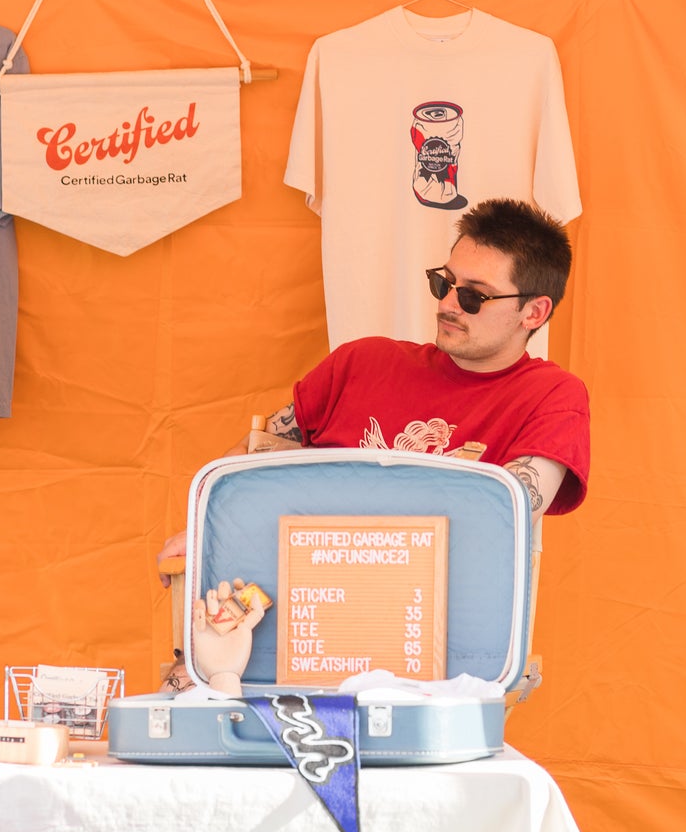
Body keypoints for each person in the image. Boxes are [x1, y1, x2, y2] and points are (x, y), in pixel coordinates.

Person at [160, 197, 590, 578]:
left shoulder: (552, 397)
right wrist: (205, 531)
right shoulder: (362, 362)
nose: (447, 304)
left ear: (534, 312)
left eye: (474, 297)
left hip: (435, 622)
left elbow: (502, 516)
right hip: (301, 597)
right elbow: (254, 456)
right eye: (444, 283)